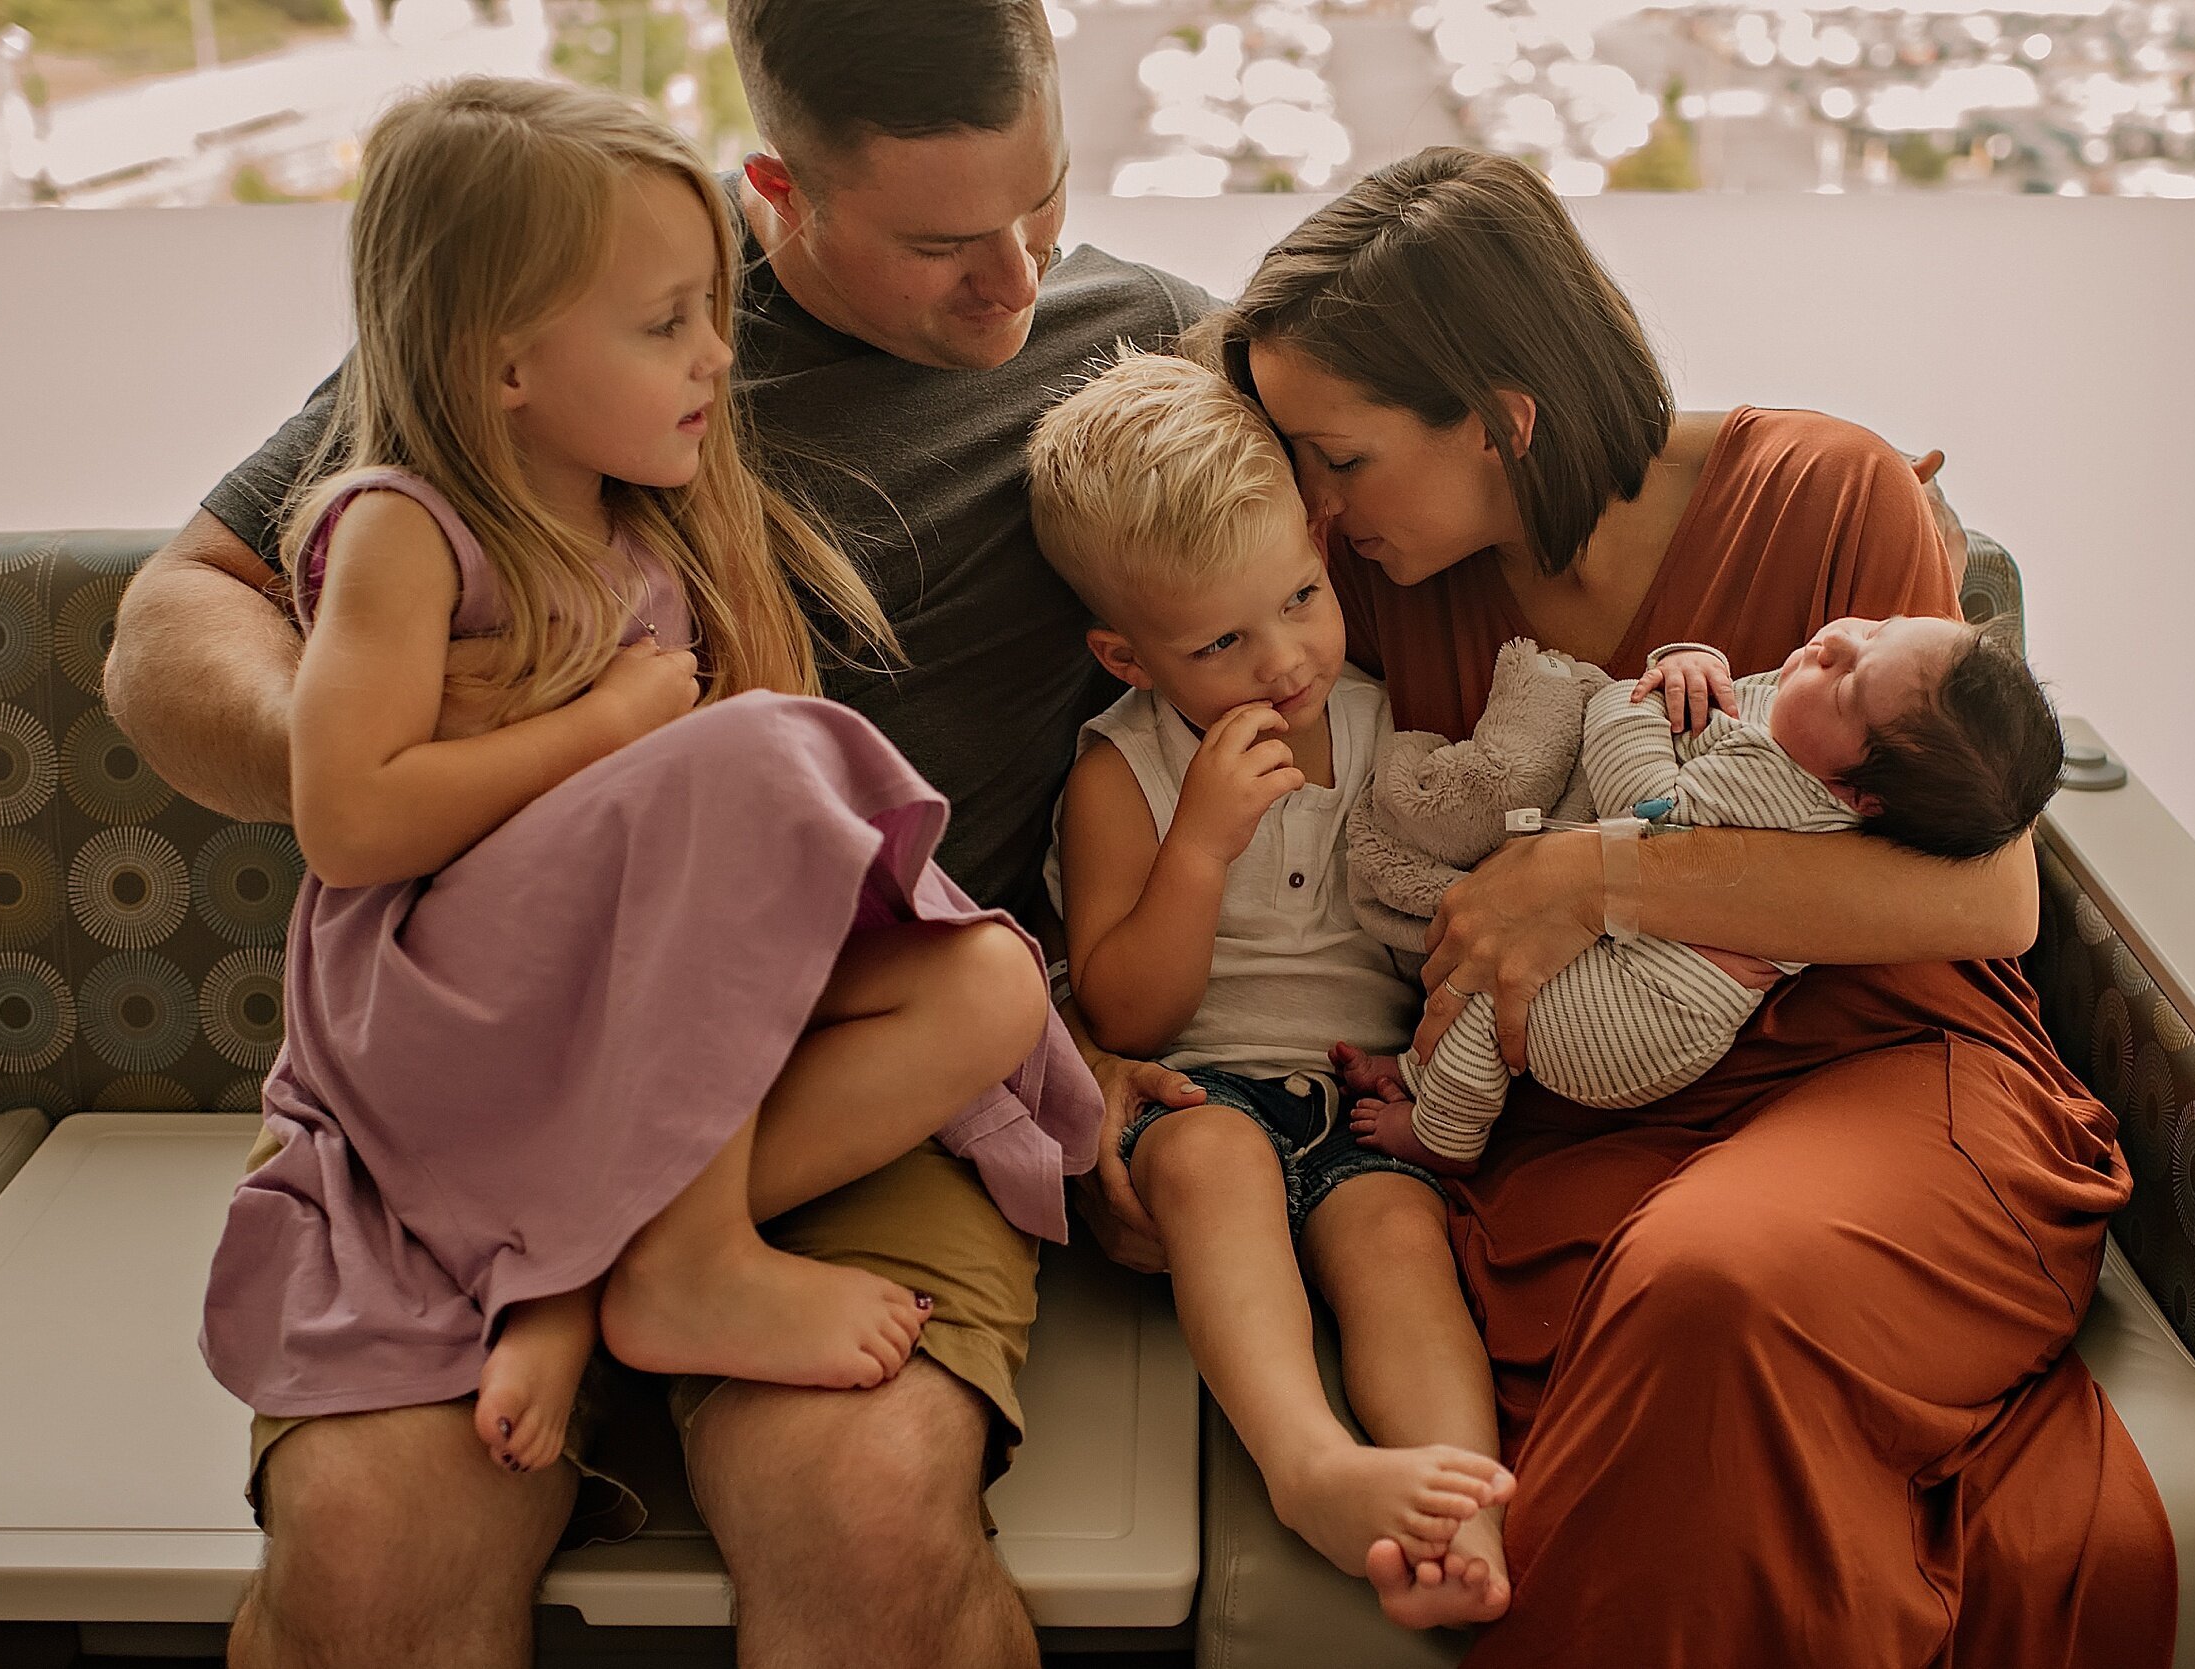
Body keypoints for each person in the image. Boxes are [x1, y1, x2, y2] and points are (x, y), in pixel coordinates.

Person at [103, 5, 1211, 1665]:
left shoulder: (1146, 349)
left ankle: (587, 1254)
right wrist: (439, 740)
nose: (1017, 279)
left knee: (866, 1508)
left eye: (1042, 204)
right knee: (370, 1558)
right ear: (778, 188)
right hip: (502, 1053)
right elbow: (171, 621)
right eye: (938, 240)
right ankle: (585, 1243)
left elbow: (1375, 553)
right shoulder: (591, 310)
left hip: (848, 1093)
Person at [1217, 148, 2177, 1666]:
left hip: (1882, 1074)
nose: (1317, 512)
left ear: (1504, 420)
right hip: (1578, 1119)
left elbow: (1989, 896)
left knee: (1717, 1282)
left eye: (1339, 459)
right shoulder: (1376, 580)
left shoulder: (1827, 493)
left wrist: (1588, 874)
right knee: (1687, 1318)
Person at [195, 76, 1084, 1492]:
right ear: (504, 367)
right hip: (454, 1003)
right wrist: (605, 723)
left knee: (988, 987)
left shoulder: (640, 525)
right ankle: (686, 1259)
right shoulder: (401, 531)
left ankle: (582, 1260)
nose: (718, 359)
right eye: (667, 325)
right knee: (758, 746)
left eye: (711, 313)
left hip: (613, 999)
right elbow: (348, 825)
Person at [1027, 349, 1516, 1627]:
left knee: (1398, 1244)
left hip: (1361, 1099)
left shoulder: (1384, 725)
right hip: (1204, 1093)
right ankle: (1308, 1464)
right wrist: (1196, 846)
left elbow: (1436, 923)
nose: (1283, 658)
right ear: (1127, 658)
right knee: (1214, 1167)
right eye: (1219, 641)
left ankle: (1464, 1514)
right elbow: (1129, 1015)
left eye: (1300, 595)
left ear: (1319, 544)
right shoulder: (1120, 773)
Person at [1343, 617, 2065, 1173]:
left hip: (1636, 1014)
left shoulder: (1782, 779)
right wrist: (1696, 664)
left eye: (1848, 684)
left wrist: (1630, 701)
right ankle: (1410, 1072)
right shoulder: (1812, 737)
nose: (1833, 643)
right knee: (1502, 959)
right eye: (1875, 627)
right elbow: (1719, 719)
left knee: (1497, 993)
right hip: (1662, 984)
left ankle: (1445, 1129)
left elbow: (1647, 811)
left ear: (1858, 796)